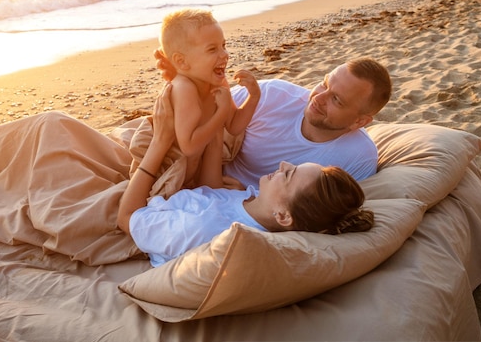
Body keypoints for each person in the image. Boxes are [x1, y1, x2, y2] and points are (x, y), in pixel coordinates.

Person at [117, 84, 374, 267]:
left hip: (144, 213)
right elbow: (212, 194)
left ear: (283, 215)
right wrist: (216, 126)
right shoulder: (254, 204)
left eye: (289, 174)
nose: (283, 164)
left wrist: (160, 143)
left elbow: (126, 218)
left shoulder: (203, 229)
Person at [222, 57, 392, 188]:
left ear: (359, 121)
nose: (318, 98)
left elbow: (318, 215)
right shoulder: (270, 95)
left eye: (336, 100)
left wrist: (246, 195)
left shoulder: (357, 157)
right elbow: (205, 109)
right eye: (324, 85)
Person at [155, 8, 260, 188]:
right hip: (171, 167)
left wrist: (254, 97)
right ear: (181, 61)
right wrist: (221, 112)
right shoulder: (183, 88)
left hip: (200, 161)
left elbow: (234, 126)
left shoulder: (218, 82)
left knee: (216, 138)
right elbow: (188, 146)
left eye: (223, 46)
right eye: (212, 49)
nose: (224, 54)